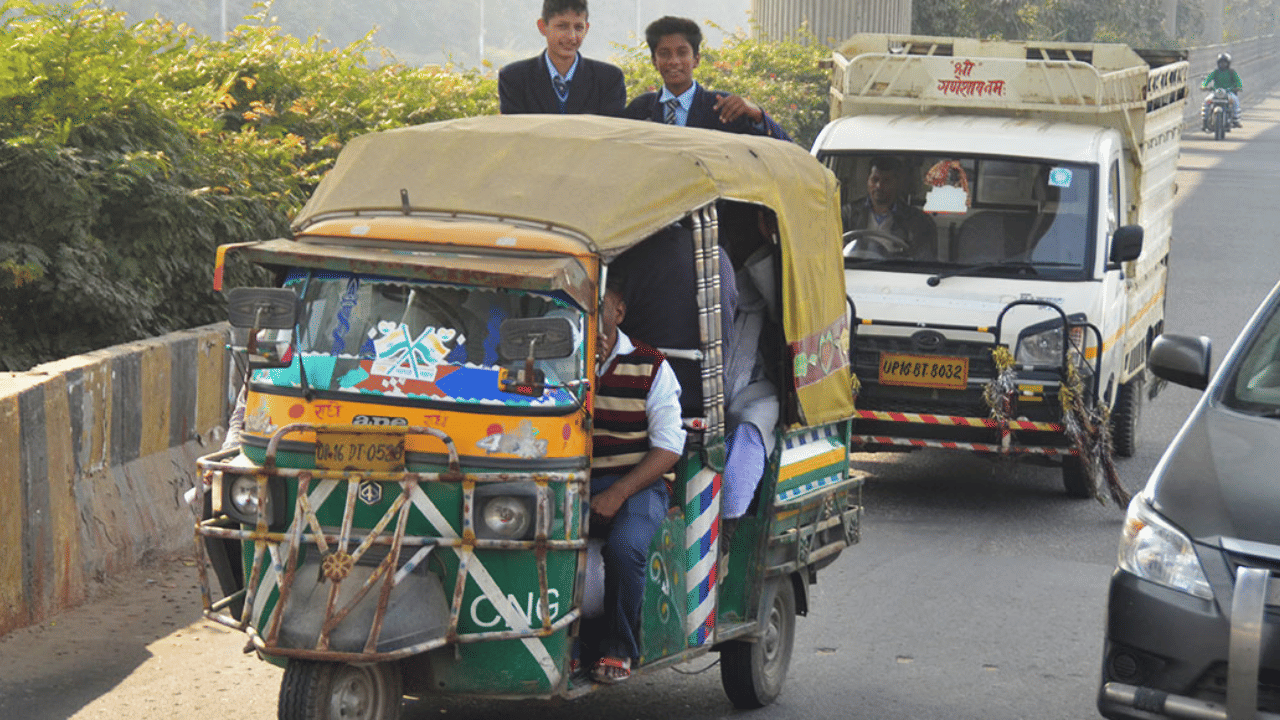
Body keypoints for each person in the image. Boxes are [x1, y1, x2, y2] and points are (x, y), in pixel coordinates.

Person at [584, 276, 686, 684]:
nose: (588, 314)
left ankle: (618, 649)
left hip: (638, 485)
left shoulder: (652, 365)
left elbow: (668, 448)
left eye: (598, 305)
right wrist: (582, 372)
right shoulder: (552, 361)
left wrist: (619, 492)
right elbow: (517, 390)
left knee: (625, 549)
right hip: (570, 482)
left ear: (618, 311)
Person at [623, 16, 791, 141]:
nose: (674, 61)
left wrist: (757, 116)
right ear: (654, 61)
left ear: (696, 59)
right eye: (664, 54)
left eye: (682, 53)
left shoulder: (722, 107)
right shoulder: (640, 109)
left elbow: (785, 146)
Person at [499, 0, 626, 116]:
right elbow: (515, 136)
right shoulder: (514, 78)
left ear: (586, 29)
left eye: (578, 27)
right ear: (542, 27)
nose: (572, 36)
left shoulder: (609, 79)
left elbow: (612, 135)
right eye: (562, 26)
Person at [842, 156, 938, 260]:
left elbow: (922, 263)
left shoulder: (919, 222)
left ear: (897, 183)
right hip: (854, 272)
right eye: (875, 180)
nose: (879, 186)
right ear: (868, 181)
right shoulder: (848, 214)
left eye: (886, 181)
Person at [1202, 52, 1243, 128]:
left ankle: (1236, 120)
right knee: (1206, 101)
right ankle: (1205, 121)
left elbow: (1238, 81)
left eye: (1224, 63)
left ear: (1228, 63)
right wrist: (1204, 86)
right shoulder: (1216, 72)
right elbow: (1207, 79)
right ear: (1218, 63)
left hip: (1229, 92)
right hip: (1216, 92)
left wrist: (1239, 87)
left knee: (1235, 101)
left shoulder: (1232, 72)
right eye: (1221, 63)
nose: (1223, 64)